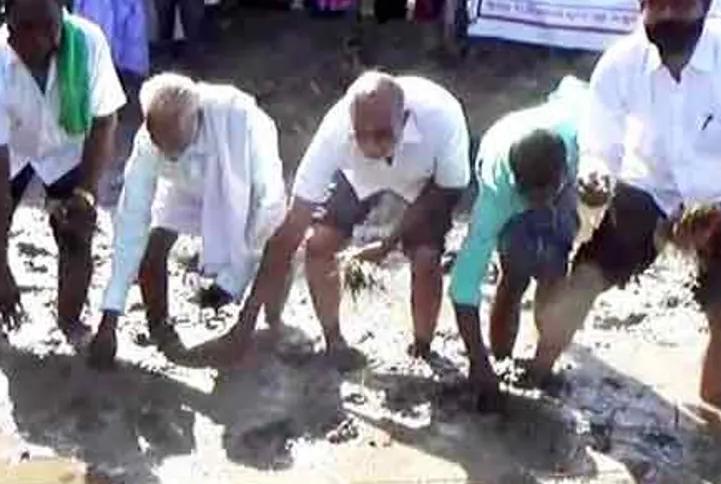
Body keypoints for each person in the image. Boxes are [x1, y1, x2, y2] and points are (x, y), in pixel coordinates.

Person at [528, 0, 721, 407]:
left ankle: (713, 419)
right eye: (655, 4)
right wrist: (597, 177)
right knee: (587, 275)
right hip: (648, 187)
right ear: (641, 9)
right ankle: (535, 374)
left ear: (707, 4)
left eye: (681, 3)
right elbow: (601, 147)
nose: (667, 14)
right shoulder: (619, 63)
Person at [209, 71, 470, 366]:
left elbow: (448, 190)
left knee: (425, 257)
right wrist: (246, 322)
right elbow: (289, 233)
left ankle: (422, 348)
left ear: (405, 120)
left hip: (425, 180)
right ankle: (334, 342)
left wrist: (389, 243)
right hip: (357, 176)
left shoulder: (442, 120)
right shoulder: (334, 133)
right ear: (350, 123)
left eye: (383, 134)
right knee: (318, 244)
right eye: (362, 135)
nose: (372, 146)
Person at [0, 0, 125, 349]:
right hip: (9, 150)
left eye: (48, 26)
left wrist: (85, 192)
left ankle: (70, 321)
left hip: (67, 144)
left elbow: (105, 122)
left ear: (63, 17)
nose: (38, 39)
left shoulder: (87, 43)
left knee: (78, 227)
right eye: (25, 27)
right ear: (7, 26)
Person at [89, 73, 286, 369]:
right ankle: (160, 329)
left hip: (241, 185)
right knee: (151, 247)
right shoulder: (150, 142)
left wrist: (230, 282)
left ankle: (262, 326)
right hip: (185, 187)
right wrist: (110, 316)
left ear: (196, 118)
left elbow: (267, 205)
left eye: (174, 144)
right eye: (161, 145)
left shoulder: (241, 120)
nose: (166, 152)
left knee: (277, 241)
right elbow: (132, 220)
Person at [449, 78, 588, 409]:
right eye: (531, 196)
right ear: (517, 183)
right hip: (507, 153)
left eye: (545, 194)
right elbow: (463, 286)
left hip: (561, 158)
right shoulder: (498, 194)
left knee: (555, 269)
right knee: (513, 274)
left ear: (563, 176)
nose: (538, 202)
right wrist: (478, 362)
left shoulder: (580, 136)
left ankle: (543, 362)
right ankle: (501, 359)